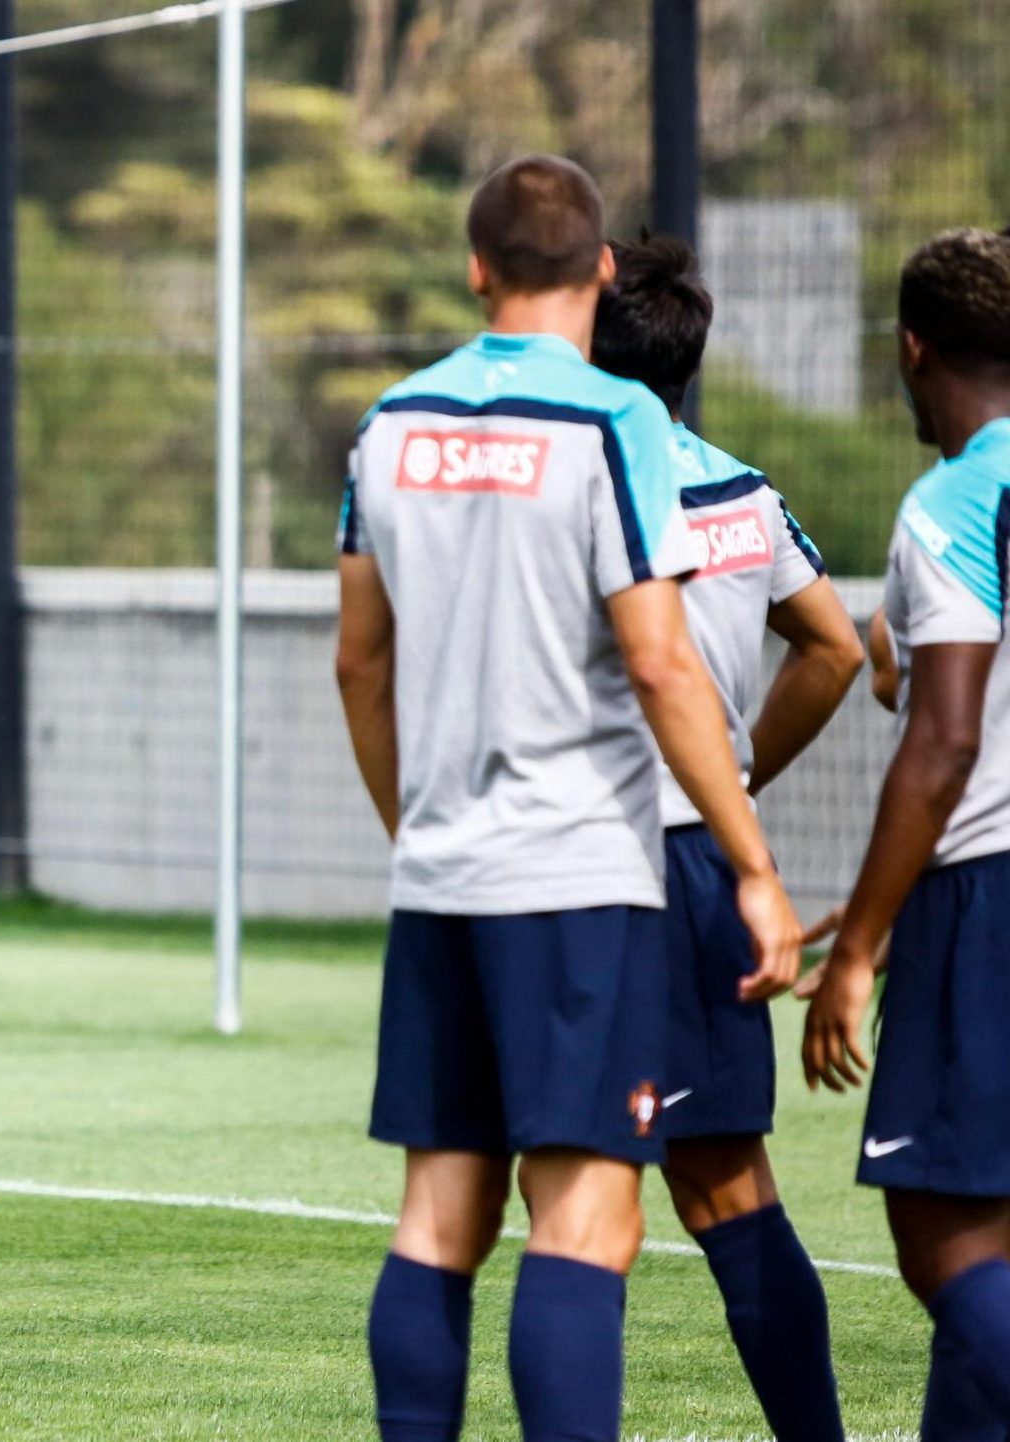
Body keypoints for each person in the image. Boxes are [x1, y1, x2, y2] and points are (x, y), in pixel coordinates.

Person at [335, 156, 801, 1442]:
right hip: (581, 879)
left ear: (476, 268)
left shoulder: (387, 425)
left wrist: (412, 826)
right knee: (586, 1214)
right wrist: (753, 865)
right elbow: (659, 659)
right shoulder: (620, 422)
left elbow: (357, 659)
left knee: (440, 1211)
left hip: (442, 875)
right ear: (599, 272)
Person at [589, 233, 859, 1440]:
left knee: (566, 1195)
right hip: (705, 859)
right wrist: (737, 780)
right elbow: (838, 647)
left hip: (583, 853)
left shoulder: (578, 476)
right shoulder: (741, 490)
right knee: (727, 1182)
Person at [806, 225, 1010, 1440]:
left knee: (941, 1237)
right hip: (968, 879)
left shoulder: (952, 500)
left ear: (910, 345)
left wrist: (859, 946)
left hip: (985, 901)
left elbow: (940, 742)